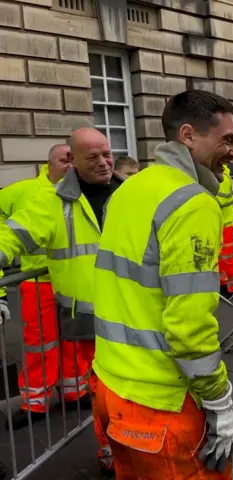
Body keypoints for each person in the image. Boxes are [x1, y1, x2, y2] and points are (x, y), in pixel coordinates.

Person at [92, 90, 233, 479]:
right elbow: (188, 327)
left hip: (111, 385)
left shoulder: (128, 190)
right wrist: (219, 400)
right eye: (227, 140)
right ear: (188, 135)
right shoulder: (192, 203)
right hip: (162, 403)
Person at [0, 128, 123, 475]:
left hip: (133, 314)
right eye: (93, 157)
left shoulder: (129, 192)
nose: (103, 163)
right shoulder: (51, 202)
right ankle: (109, 452)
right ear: (73, 161)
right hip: (87, 318)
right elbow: (14, 233)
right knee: (102, 395)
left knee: (128, 392)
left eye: (107, 154)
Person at [0, 143, 85, 429]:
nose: (70, 166)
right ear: (48, 164)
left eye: (74, 160)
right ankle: (35, 402)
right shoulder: (24, 191)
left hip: (72, 279)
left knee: (75, 339)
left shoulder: (81, 192)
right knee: (40, 343)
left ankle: (75, 392)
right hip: (37, 282)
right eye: (64, 160)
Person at [216, 164, 233, 297]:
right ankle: (223, 283)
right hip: (218, 224)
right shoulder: (214, 176)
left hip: (225, 224)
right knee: (219, 257)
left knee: (227, 257)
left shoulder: (222, 177)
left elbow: (221, 199)